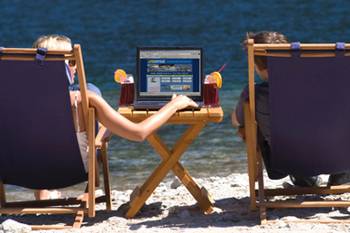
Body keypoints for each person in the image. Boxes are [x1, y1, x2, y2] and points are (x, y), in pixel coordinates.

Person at [33, 34, 198, 200]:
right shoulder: (84, 98)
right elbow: (138, 133)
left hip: (30, 170)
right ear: (61, 67)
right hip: (74, 168)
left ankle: (43, 194)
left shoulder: (19, 100)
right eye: (72, 62)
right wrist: (175, 104)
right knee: (91, 91)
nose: (75, 68)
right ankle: (91, 185)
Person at [232, 31, 322, 187]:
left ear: (257, 66)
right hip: (331, 155)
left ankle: (302, 175)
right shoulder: (315, 86)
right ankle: (340, 175)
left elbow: (236, 121)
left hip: (283, 161)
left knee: (248, 126)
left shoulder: (254, 93)